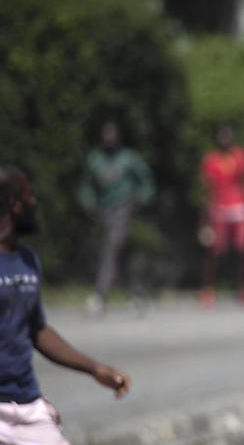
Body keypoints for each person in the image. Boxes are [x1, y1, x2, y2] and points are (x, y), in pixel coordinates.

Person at [0, 165, 131, 444]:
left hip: (26, 405)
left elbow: (37, 331)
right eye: (28, 196)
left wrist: (95, 369)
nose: (34, 203)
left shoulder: (27, 260)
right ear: (14, 204)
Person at [77, 122, 155, 315]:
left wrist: (141, 198)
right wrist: (87, 201)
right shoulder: (95, 160)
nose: (109, 139)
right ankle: (137, 294)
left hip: (124, 209)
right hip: (104, 211)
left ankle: (100, 295)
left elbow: (146, 181)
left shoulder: (129, 159)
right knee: (120, 254)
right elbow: (86, 185)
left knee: (111, 249)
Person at [198, 125, 244, 309]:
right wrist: (204, 218)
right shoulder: (210, 160)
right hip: (218, 208)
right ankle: (207, 289)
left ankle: (243, 288)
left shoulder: (240, 156)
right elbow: (206, 188)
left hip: (238, 207)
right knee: (213, 251)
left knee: (242, 250)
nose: (225, 140)